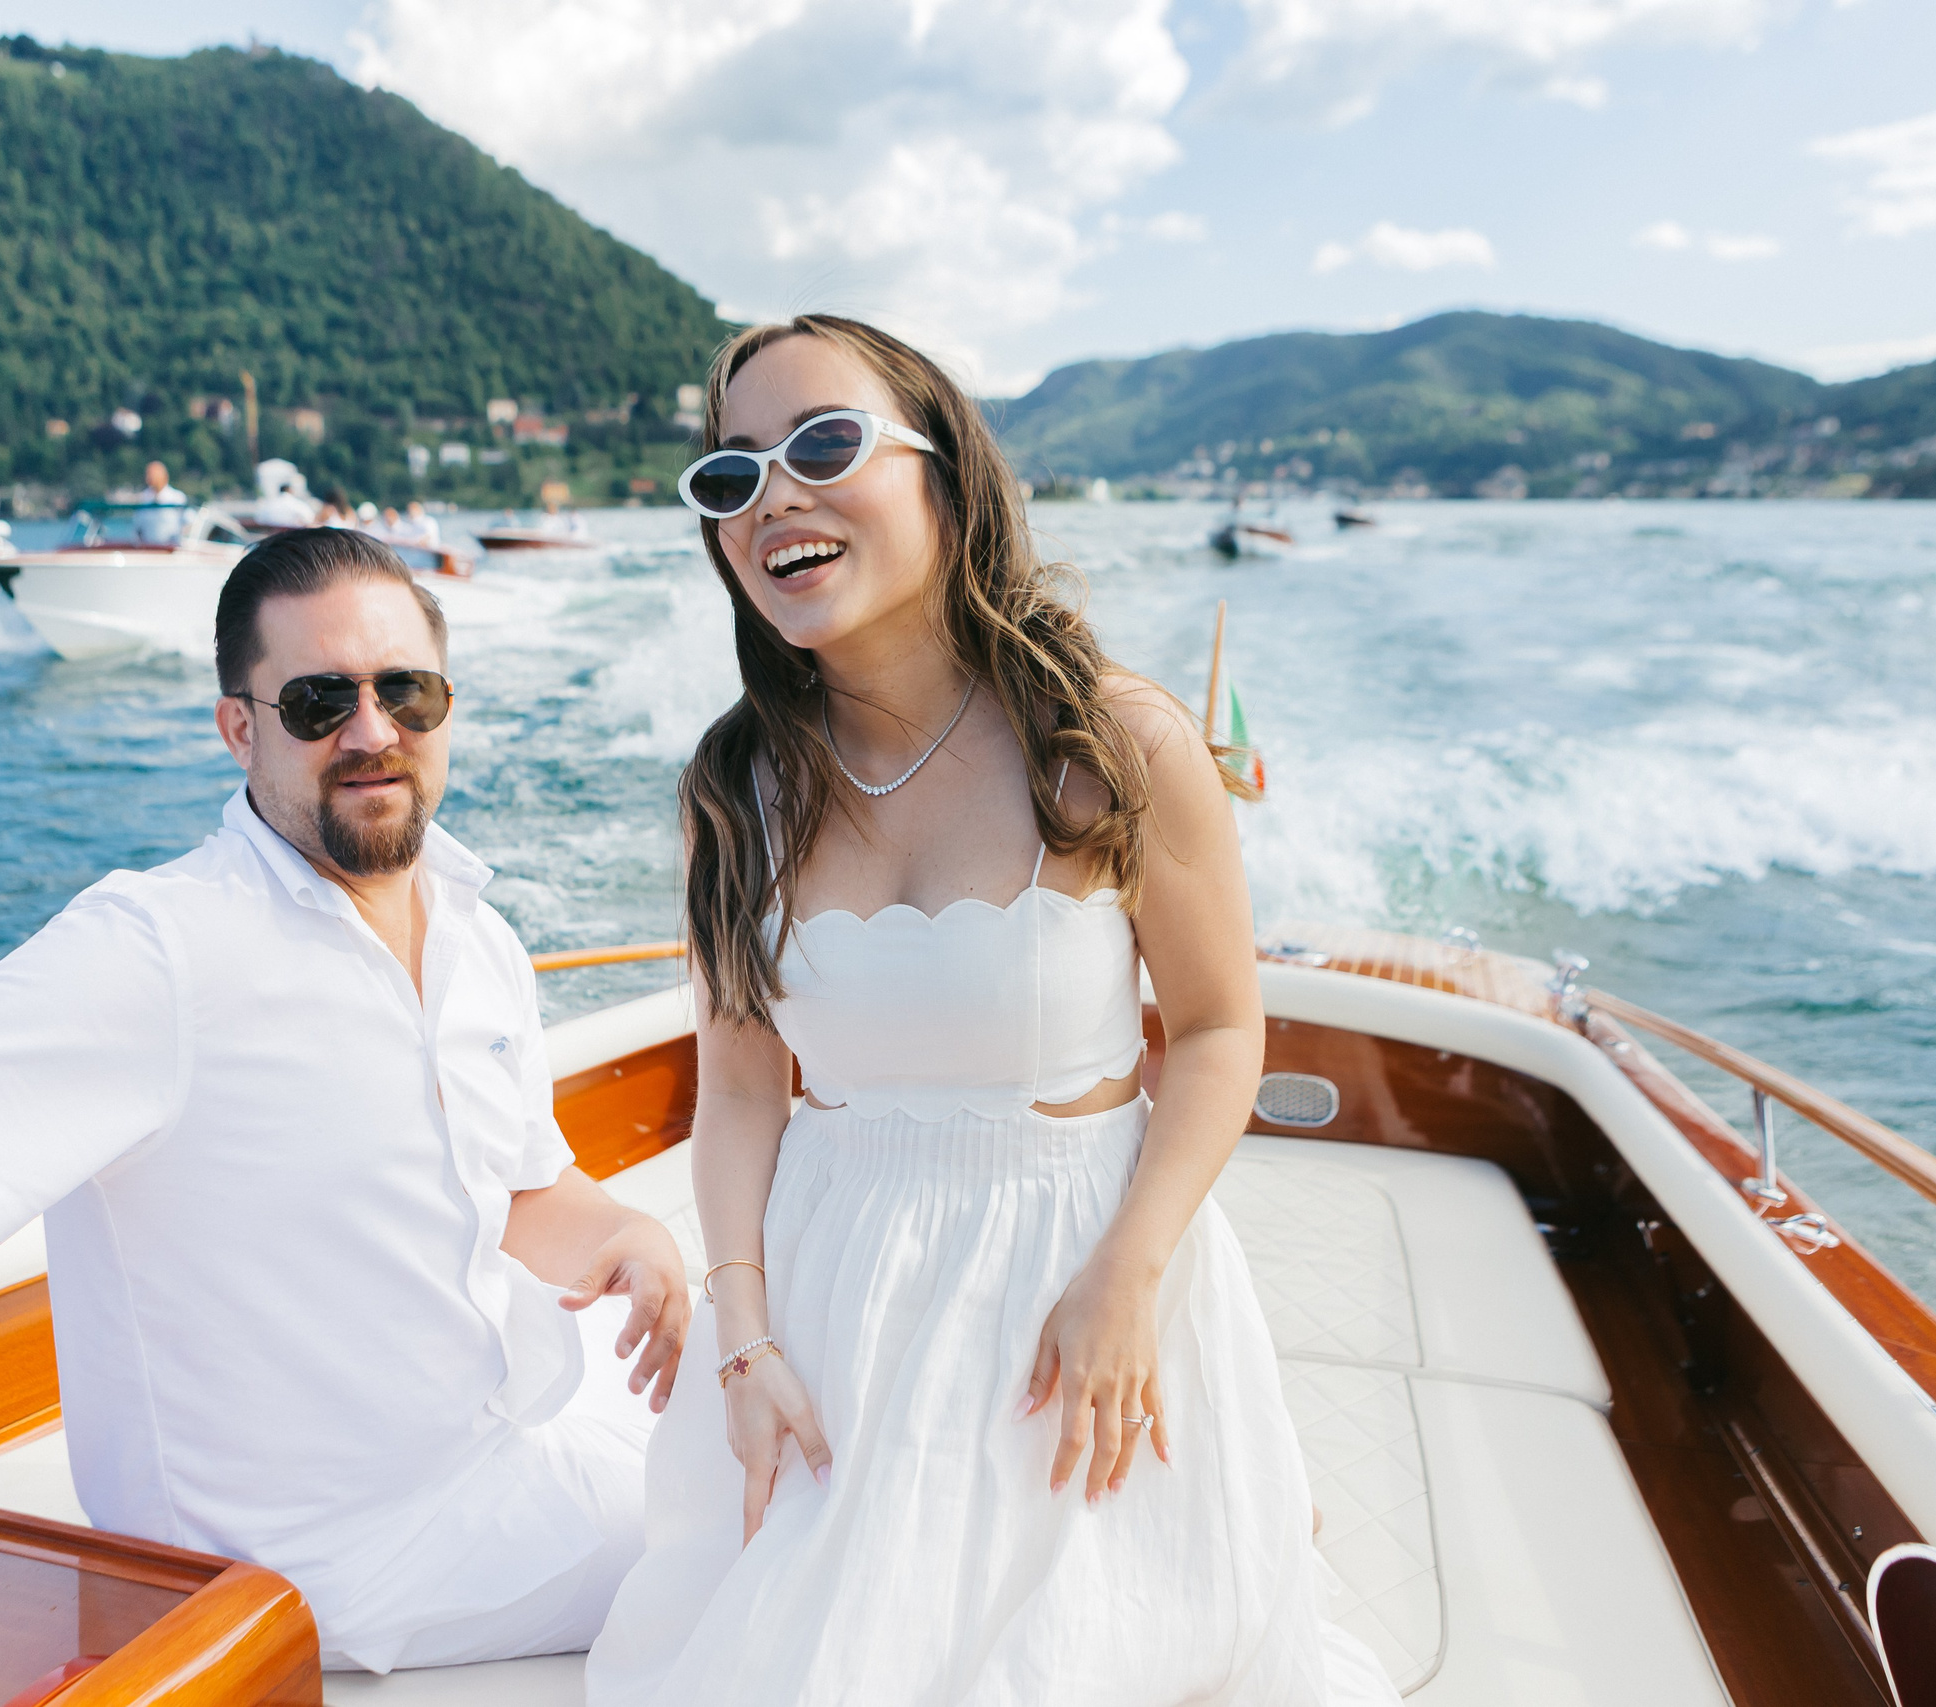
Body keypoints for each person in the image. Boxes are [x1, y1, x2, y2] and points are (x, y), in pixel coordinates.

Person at [0, 529, 690, 1707]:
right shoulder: (168, 950)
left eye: (407, 691)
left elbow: (521, 1188)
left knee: (804, 1381)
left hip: (499, 1434)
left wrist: (624, 1237)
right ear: (238, 728)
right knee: (805, 1512)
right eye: (318, 702)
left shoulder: (474, 932)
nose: (372, 731)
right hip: (344, 1555)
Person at [585, 317, 1399, 1705]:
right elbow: (740, 1092)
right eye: (731, 474)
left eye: (822, 445)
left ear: (948, 476)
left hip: (1077, 1286)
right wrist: (746, 1341)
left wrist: (1129, 1275)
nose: (772, 495)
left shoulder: (1115, 742)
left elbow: (1217, 1031)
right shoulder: (733, 791)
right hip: (833, 1305)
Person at [131, 459, 186, 544]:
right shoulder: (143, 498)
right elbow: (137, 526)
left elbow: (188, 523)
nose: (149, 478)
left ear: (164, 476)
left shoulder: (177, 498)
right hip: (148, 548)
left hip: (171, 547)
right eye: (148, 474)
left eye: (153, 474)